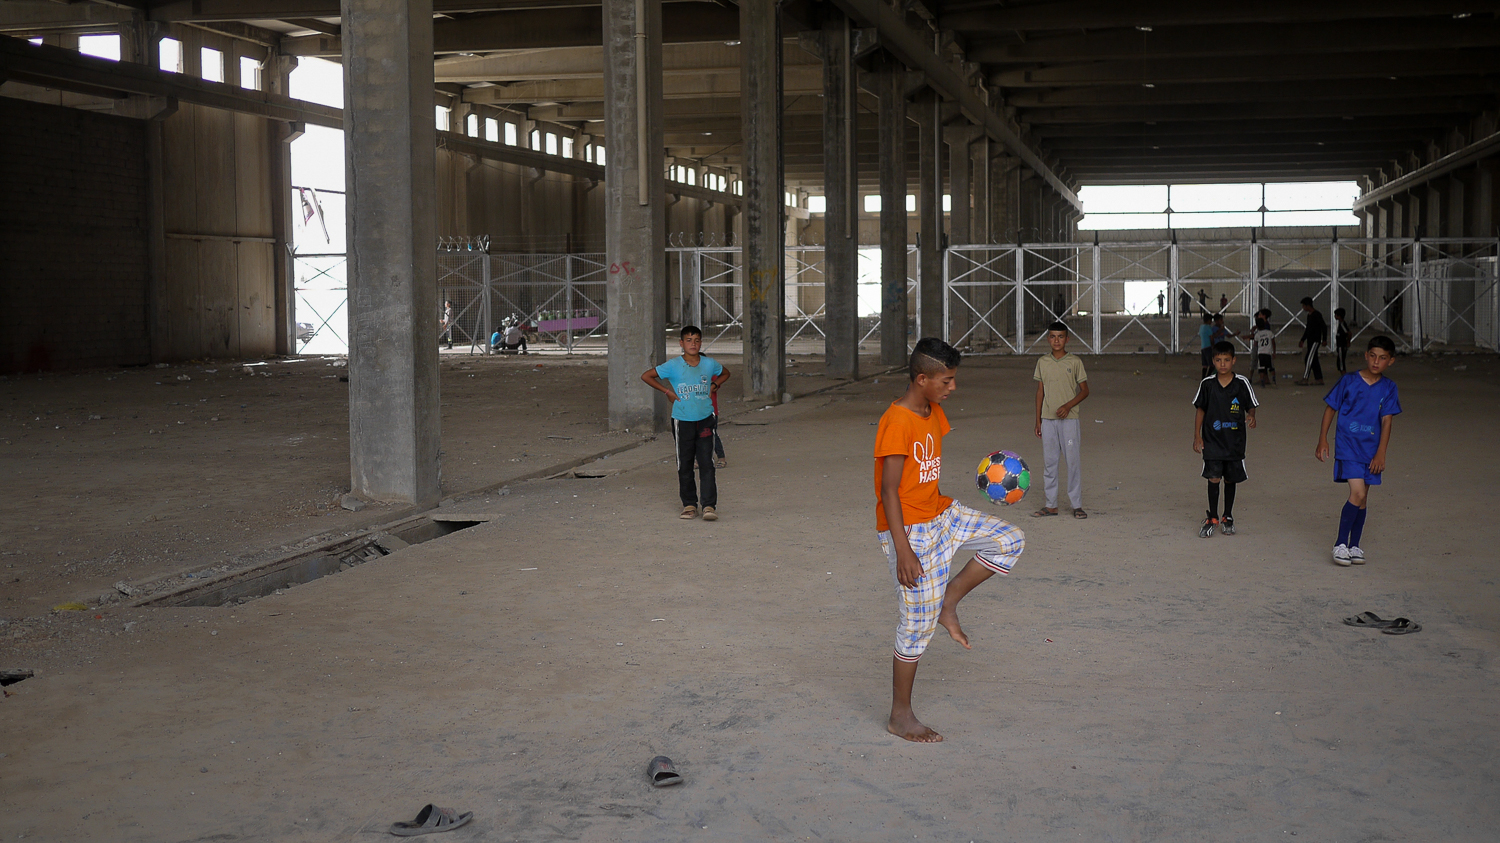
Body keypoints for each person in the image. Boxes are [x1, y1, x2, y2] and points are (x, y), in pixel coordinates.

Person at [875, 338, 1025, 743]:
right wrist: (903, 549)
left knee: (1009, 540)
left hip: (942, 513)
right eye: (946, 381)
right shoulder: (897, 421)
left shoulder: (932, 410)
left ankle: (949, 600)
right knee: (916, 627)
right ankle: (900, 716)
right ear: (921, 379)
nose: (952, 387)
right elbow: (889, 491)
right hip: (912, 531)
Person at [1315, 336, 1401, 566]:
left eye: (1382, 358)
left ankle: (1354, 545)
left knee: (1363, 499)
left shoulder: (1389, 388)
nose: (1376, 362)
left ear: (1391, 361)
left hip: (1370, 450)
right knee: (1358, 493)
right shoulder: (1349, 381)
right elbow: (1330, 409)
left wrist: (1381, 452)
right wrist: (1323, 439)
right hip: (1348, 447)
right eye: (1372, 356)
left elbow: (1387, 421)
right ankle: (1340, 544)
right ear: (1366, 355)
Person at [641, 326, 731, 521]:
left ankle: (709, 506)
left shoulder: (709, 364)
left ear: (701, 343)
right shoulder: (673, 365)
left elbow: (725, 373)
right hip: (682, 421)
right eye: (689, 340)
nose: (693, 344)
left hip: (705, 419)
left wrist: (715, 384)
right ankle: (689, 505)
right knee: (685, 463)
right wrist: (667, 392)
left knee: (707, 463)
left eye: (697, 340)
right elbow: (646, 376)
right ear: (681, 343)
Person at [1192, 341, 1259, 538]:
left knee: (1230, 478)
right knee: (1213, 477)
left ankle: (1227, 516)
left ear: (1234, 360)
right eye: (1218, 360)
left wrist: (1251, 416)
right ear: (1213, 361)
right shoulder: (1207, 384)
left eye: (1227, 360)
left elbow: (1251, 405)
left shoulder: (1242, 383)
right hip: (1212, 441)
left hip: (1234, 442)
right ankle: (1212, 517)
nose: (1223, 364)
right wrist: (1197, 436)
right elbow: (1200, 410)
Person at [1032, 322, 1089, 519]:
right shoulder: (1042, 362)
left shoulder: (1074, 362)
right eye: (1053, 336)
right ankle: (1051, 505)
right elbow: (1040, 392)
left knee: (1072, 462)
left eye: (1061, 336)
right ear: (1048, 339)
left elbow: (1085, 390)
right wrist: (1038, 420)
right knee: (1050, 463)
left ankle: (1077, 505)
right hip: (1048, 420)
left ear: (1067, 339)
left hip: (1069, 420)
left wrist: (1068, 406)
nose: (1057, 340)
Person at [1295, 297, 1327, 386]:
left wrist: (1324, 339)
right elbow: (1308, 329)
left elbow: (1323, 327)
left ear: (1308, 306)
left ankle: (1305, 378)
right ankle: (1319, 379)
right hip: (1310, 340)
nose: (1303, 308)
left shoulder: (1317, 315)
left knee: (1308, 359)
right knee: (1314, 359)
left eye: (1303, 306)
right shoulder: (1309, 315)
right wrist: (1303, 339)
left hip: (1315, 341)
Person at [1243, 315, 1276, 387]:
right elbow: (1273, 342)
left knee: (1261, 368)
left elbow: (1255, 344)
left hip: (1261, 352)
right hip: (1268, 352)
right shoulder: (1269, 332)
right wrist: (1274, 352)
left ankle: (1262, 381)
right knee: (1271, 367)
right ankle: (1273, 378)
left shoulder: (1257, 334)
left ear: (1257, 326)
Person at [1333, 307, 1351, 374]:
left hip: (1342, 345)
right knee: (1340, 361)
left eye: (1336, 315)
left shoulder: (1342, 324)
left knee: (1341, 362)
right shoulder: (1341, 324)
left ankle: (1344, 375)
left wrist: (1348, 342)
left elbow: (1349, 333)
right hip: (1340, 345)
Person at [1198, 313, 1215, 379]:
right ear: (1209, 320)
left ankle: (1203, 378)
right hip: (1208, 347)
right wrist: (1213, 345)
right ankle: (1207, 377)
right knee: (1212, 365)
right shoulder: (1208, 327)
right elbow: (1211, 338)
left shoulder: (1201, 327)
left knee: (1205, 365)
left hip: (1203, 347)